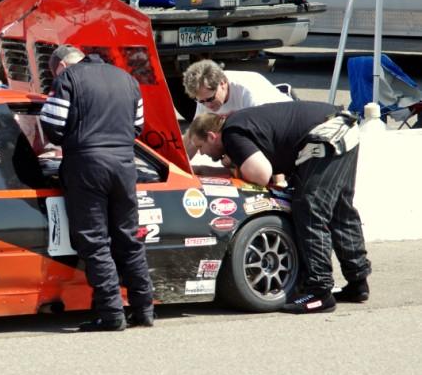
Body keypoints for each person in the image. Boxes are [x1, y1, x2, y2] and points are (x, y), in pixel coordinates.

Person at [187, 101, 372, 314]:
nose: (203, 153)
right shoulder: (238, 124)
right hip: (342, 127)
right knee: (340, 209)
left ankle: (320, 292)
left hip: (325, 134)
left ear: (212, 136)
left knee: (309, 208)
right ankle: (358, 282)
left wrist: (231, 166)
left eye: (201, 147)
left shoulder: (231, 133)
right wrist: (209, 169)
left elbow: (261, 174)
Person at [41, 45, 154, 331]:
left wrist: (72, 141)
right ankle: (144, 310)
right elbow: (138, 125)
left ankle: (112, 314)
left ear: (62, 67)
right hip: (125, 167)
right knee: (128, 238)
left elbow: (52, 123)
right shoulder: (126, 79)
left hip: (86, 166)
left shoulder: (68, 79)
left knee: (95, 241)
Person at [182, 59, 292, 158]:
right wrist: (179, 165)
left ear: (222, 83)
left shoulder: (249, 93)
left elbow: (265, 138)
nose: (207, 106)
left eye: (210, 99)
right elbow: (194, 134)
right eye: (201, 101)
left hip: (285, 126)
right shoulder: (205, 93)